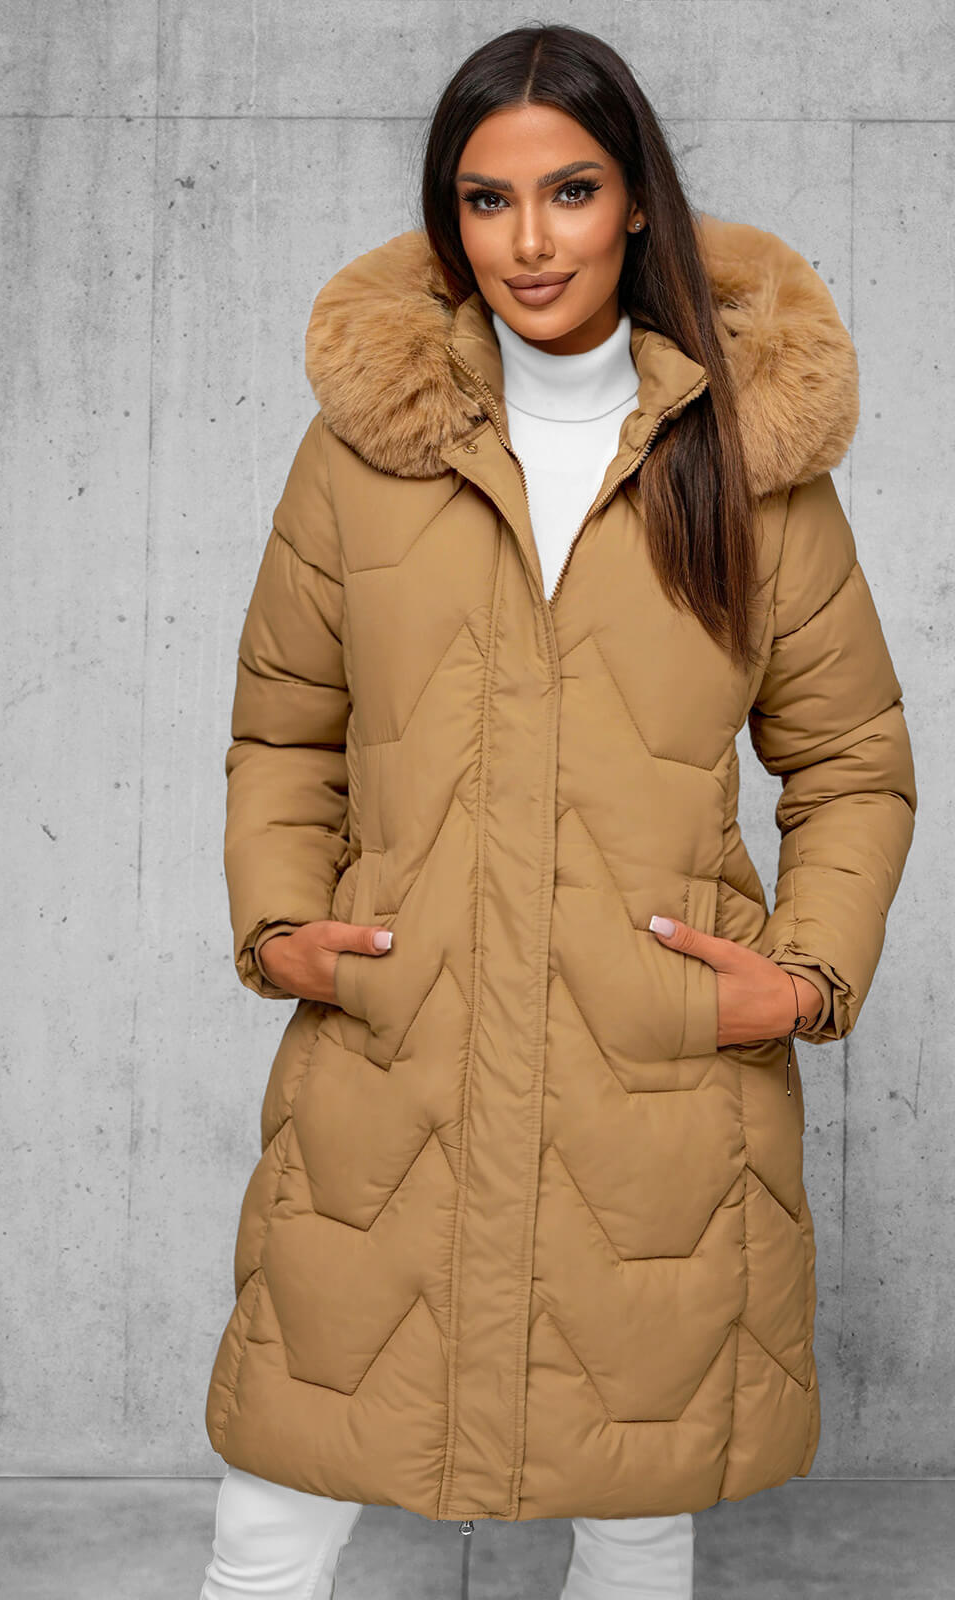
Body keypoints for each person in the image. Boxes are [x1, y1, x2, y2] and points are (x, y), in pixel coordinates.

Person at [200, 21, 917, 1600]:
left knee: (635, 1509)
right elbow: (284, 728)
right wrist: (285, 927)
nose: (530, 240)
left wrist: (803, 976)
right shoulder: (362, 458)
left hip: (653, 1075)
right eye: (487, 198)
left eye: (571, 190)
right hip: (395, 1060)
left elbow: (852, 759)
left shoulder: (753, 465)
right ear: (450, 219)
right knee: (272, 1514)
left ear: (637, 201)